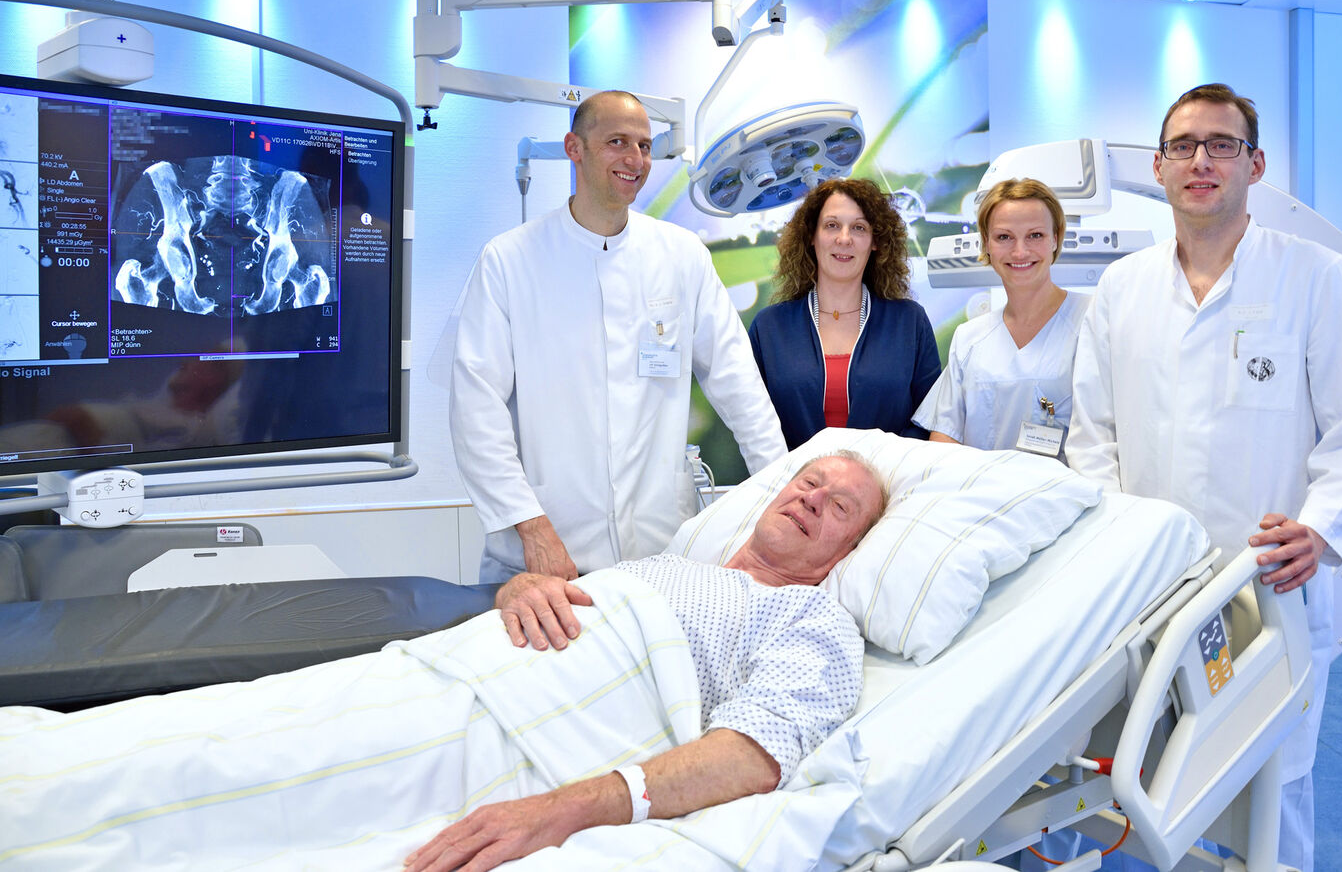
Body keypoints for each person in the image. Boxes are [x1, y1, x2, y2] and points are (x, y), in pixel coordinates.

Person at [1067, 82, 1342, 870]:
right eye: (1182, 146)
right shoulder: (1122, 288)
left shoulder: (1313, 276)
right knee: (1147, 789)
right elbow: (1091, 439)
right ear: (1159, 166)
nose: (1200, 161)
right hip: (1150, 591)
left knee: (1274, 790)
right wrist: (1116, 551)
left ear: (1255, 164)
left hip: (1263, 588)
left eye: (1220, 144)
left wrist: (1317, 526)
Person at [405, 450, 885, 872]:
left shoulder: (812, 617)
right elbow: (569, 606)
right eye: (808, 482)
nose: (813, 498)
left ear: (851, 550)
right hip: (441, 671)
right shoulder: (667, 564)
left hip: (511, 739)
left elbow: (754, 755)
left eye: (840, 506)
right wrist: (517, 589)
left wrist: (558, 811)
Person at [450, 90, 786, 584]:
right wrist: (531, 526)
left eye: (646, 146)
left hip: (659, 548)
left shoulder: (681, 255)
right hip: (545, 552)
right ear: (574, 148)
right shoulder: (510, 259)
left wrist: (778, 491)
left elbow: (738, 384)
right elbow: (476, 408)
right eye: (617, 142)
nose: (635, 159)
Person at [747, 178, 941, 450]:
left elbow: (930, 421)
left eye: (859, 228)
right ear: (812, 237)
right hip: (795, 487)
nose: (844, 238)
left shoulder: (909, 322)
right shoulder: (770, 328)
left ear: (875, 242)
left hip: (888, 487)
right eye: (832, 225)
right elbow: (752, 424)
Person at [912, 178, 1089, 464]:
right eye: (1004, 237)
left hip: (1067, 502)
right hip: (985, 502)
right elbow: (944, 444)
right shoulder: (969, 338)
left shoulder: (1092, 320)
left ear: (1056, 237)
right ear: (986, 244)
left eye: (1035, 235)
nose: (1020, 252)